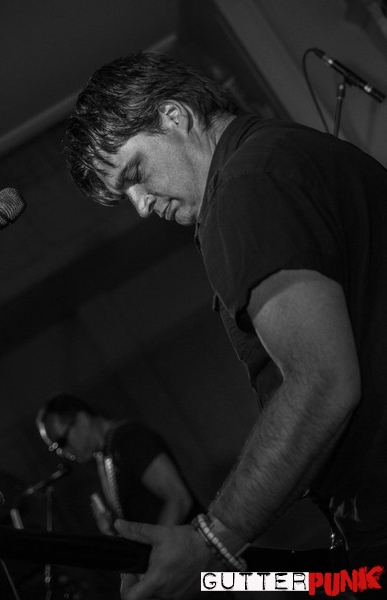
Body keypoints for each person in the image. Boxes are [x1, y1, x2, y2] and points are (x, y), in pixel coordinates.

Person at [64, 51, 387, 598]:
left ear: (175, 115)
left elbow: (323, 383)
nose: (141, 207)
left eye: (135, 174)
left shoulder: (243, 189)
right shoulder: (284, 152)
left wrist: (212, 542)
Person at [36, 394, 198, 533]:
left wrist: (157, 553)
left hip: (197, 552)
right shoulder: (105, 455)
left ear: (82, 419)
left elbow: (179, 497)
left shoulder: (128, 439)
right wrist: (110, 531)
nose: (61, 452)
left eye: (61, 441)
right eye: (54, 448)